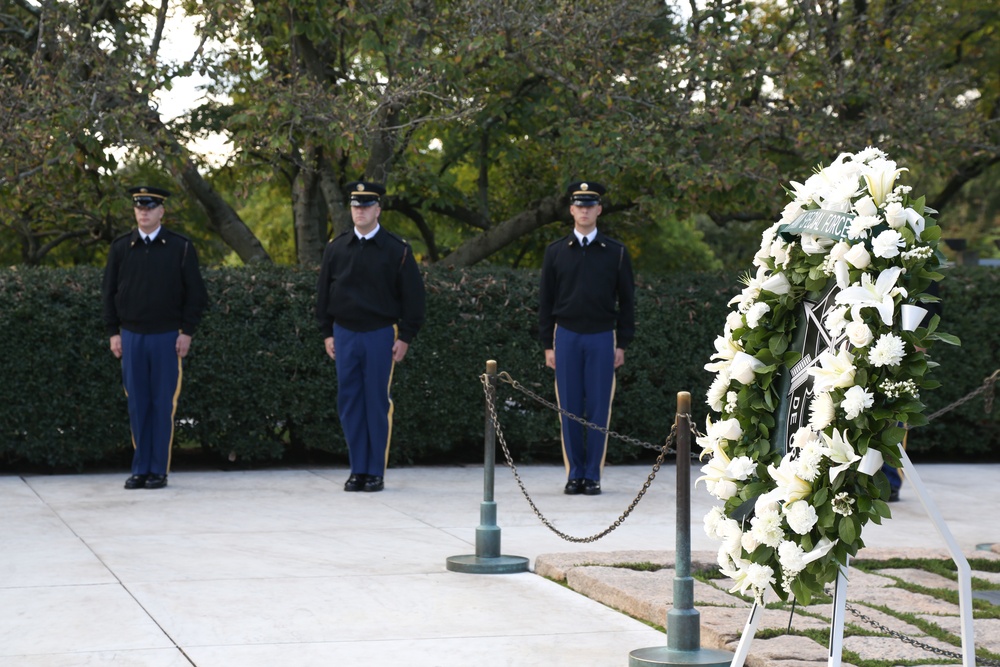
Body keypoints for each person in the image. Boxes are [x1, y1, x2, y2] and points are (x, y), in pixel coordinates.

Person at [316, 180, 426, 493]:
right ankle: (357, 469)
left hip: (380, 334)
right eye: (355, 206)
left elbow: (414, 299)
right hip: (344, 333)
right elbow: (324, 295)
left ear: (378, 209)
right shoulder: (336, 247)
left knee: (376, 402)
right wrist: (327, 333)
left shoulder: (396, 250)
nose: (360, 211)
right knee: (349, 402)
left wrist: (405, 336)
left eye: (366, 206)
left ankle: (375, 471)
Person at [102, 186, 208, 490]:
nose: (144, 212)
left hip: (166, 337)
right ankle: (140, 468)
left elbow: (196, 295)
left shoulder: (180, 247)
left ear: (162, 211)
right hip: (131, 336)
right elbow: (108, 293)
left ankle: (158, 470)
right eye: (139, 207)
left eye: (150, 207)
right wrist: (113, 333)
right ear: (134, 211)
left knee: (163, 404)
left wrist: (187, 331)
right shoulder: (121, 247)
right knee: (137, 403)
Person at [538, 181, 635, 496]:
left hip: (601, 337)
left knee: (597, 408)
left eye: (590, 205)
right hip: (565, 336)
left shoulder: (616, 253)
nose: (584, 210)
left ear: (599, 210)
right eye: (579, 205)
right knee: (568, 407)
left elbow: (628, 302)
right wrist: (547, 345)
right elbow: (545, 302)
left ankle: (592, 474)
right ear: (570, 210)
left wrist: (622, 344)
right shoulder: (555, 252)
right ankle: (574, 473)